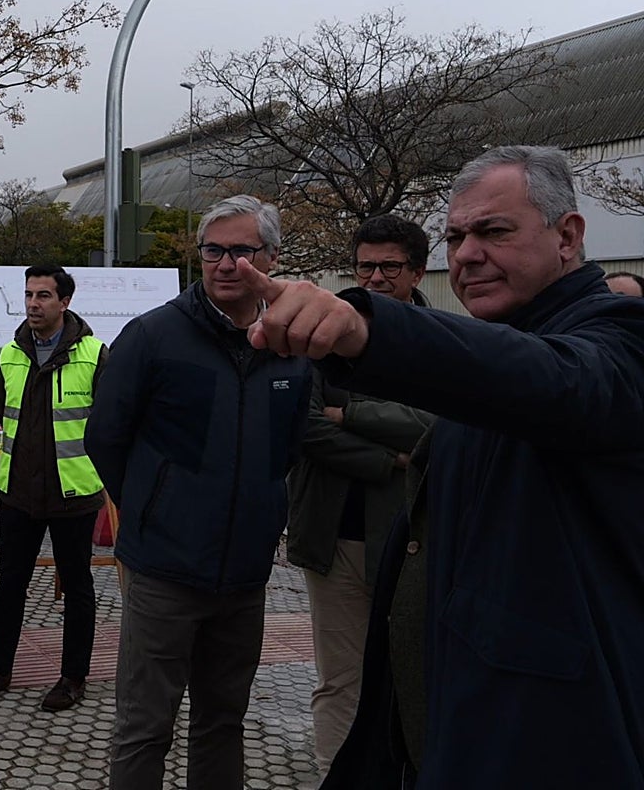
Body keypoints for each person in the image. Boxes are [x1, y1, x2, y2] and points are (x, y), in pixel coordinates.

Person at [234, 146, 644, 790]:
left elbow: (558, 382)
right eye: (455, 236)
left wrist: (364, 330)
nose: (467, 254)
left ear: (568, 236)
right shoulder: (505, 339)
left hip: (552, 741)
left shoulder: (620, 337)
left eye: (493, 231)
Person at [85, 194, 312, 790]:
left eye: (242, 251)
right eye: (214, 250)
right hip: (164, 572)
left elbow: (288, 448)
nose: (226, 263)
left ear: (271, 258)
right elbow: (106, 438)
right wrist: (153, 513)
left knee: (223, 723)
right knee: (145, 728)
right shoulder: (153, 336)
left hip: (244, 576)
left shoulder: (289, 347)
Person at [286, 215, 434, 772]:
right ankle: (335, 778)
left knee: (408, 677)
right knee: (341, 680)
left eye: (389, 267)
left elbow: (437, 422)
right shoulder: (318, 339)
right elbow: (303, 427)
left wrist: (349, 413)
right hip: (333, 540)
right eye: (365, 265)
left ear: (417, 271)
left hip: (412, 538)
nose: (374, 277)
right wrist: (388, 458)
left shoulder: (439, 340)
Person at [0, 265, 108, 712]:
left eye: (44, 295)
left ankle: (72, 677)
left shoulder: (94, 355)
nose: (33, 303)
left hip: (74, 495)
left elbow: (107, 426)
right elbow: (1, 411)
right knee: (10, 584)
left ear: (64, 302)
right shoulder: (9, 355)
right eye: (29, 294)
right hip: (18, 495)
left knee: (78, 588)